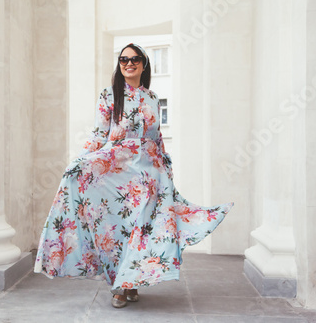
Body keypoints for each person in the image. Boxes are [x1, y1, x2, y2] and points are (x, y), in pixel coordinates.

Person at [34, 43, 233, 308]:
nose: (129, 63)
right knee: (120, 229)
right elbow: (99, 134)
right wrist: (80, 161)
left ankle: (132, 282)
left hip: (150, 173)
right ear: (119, 64)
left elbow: (156, 136)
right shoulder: (109, 95)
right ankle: (119, 287)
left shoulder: (152, 97)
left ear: (144, 63)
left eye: (135, 58)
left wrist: (166, 167)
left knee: (143, 229)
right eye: (124, 59)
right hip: (118, 170)